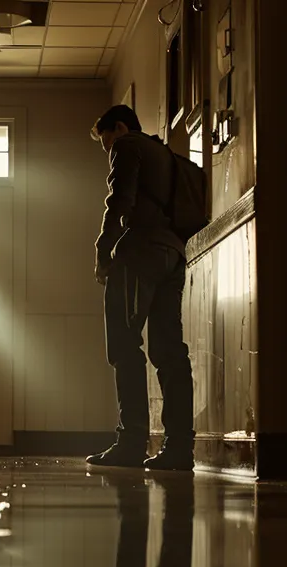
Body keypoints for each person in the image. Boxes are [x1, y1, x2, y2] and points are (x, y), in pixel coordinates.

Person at [85, 105, 194, 472]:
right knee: (169, 352)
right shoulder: (165, 153)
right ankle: (180, 448)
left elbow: (120, 199)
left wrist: (103, 250)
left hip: (140, 253)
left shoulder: (128, 144)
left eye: (106, 142)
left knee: (124, 343)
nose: (108, 151)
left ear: (118, 127)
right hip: (173, 254)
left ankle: (131, 442)